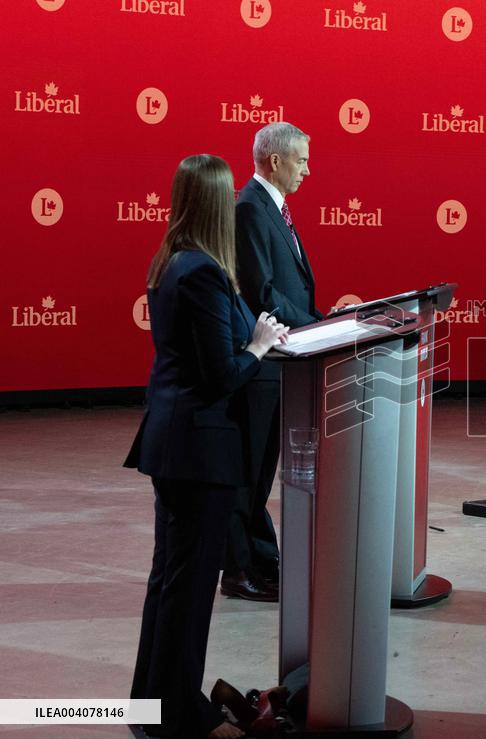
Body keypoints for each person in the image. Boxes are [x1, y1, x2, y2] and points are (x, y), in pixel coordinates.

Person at [125, 154, 289, 738]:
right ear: (218, 205)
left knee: (169, 582)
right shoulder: (202, 272)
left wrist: (256, 333)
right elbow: (223, 373)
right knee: (189, 591)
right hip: (199, 451)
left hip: (175, 446)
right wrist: (261, 346)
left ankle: (150, 704)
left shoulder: (174, 262)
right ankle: (180, 716)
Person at [222, 122, 323, 602]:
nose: (308, 169)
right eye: (301, 159)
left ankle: (262, 564)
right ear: (276, 161)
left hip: (280, 358)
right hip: (261, 360)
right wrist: (315, 325)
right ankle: (239, 571)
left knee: (261, 472)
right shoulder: (249, 209)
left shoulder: (273, 208)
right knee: (248, 472)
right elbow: (261, 290)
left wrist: (317, 321)